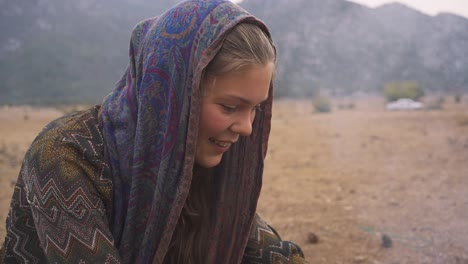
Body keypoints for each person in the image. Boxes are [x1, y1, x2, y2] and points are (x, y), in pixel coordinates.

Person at [0, 0, 307, 263]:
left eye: (255, 109)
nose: (246, 128)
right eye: (229, 107)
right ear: (173, 95)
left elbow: (263, 248)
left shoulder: (194, 157)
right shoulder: (65, 155)